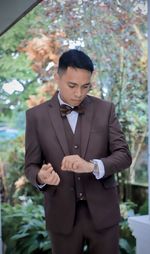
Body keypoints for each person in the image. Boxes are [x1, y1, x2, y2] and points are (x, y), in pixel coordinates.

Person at [25, 49, 132, 254]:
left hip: (103, 215)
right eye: (72, 85)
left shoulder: (105, 110)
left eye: (85, 86)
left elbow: (124, 156)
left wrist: (93, 166)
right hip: (61, 216)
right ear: (57, 78)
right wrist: (40, 176)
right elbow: (30, 165)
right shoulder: (35, 117)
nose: (78, 93)